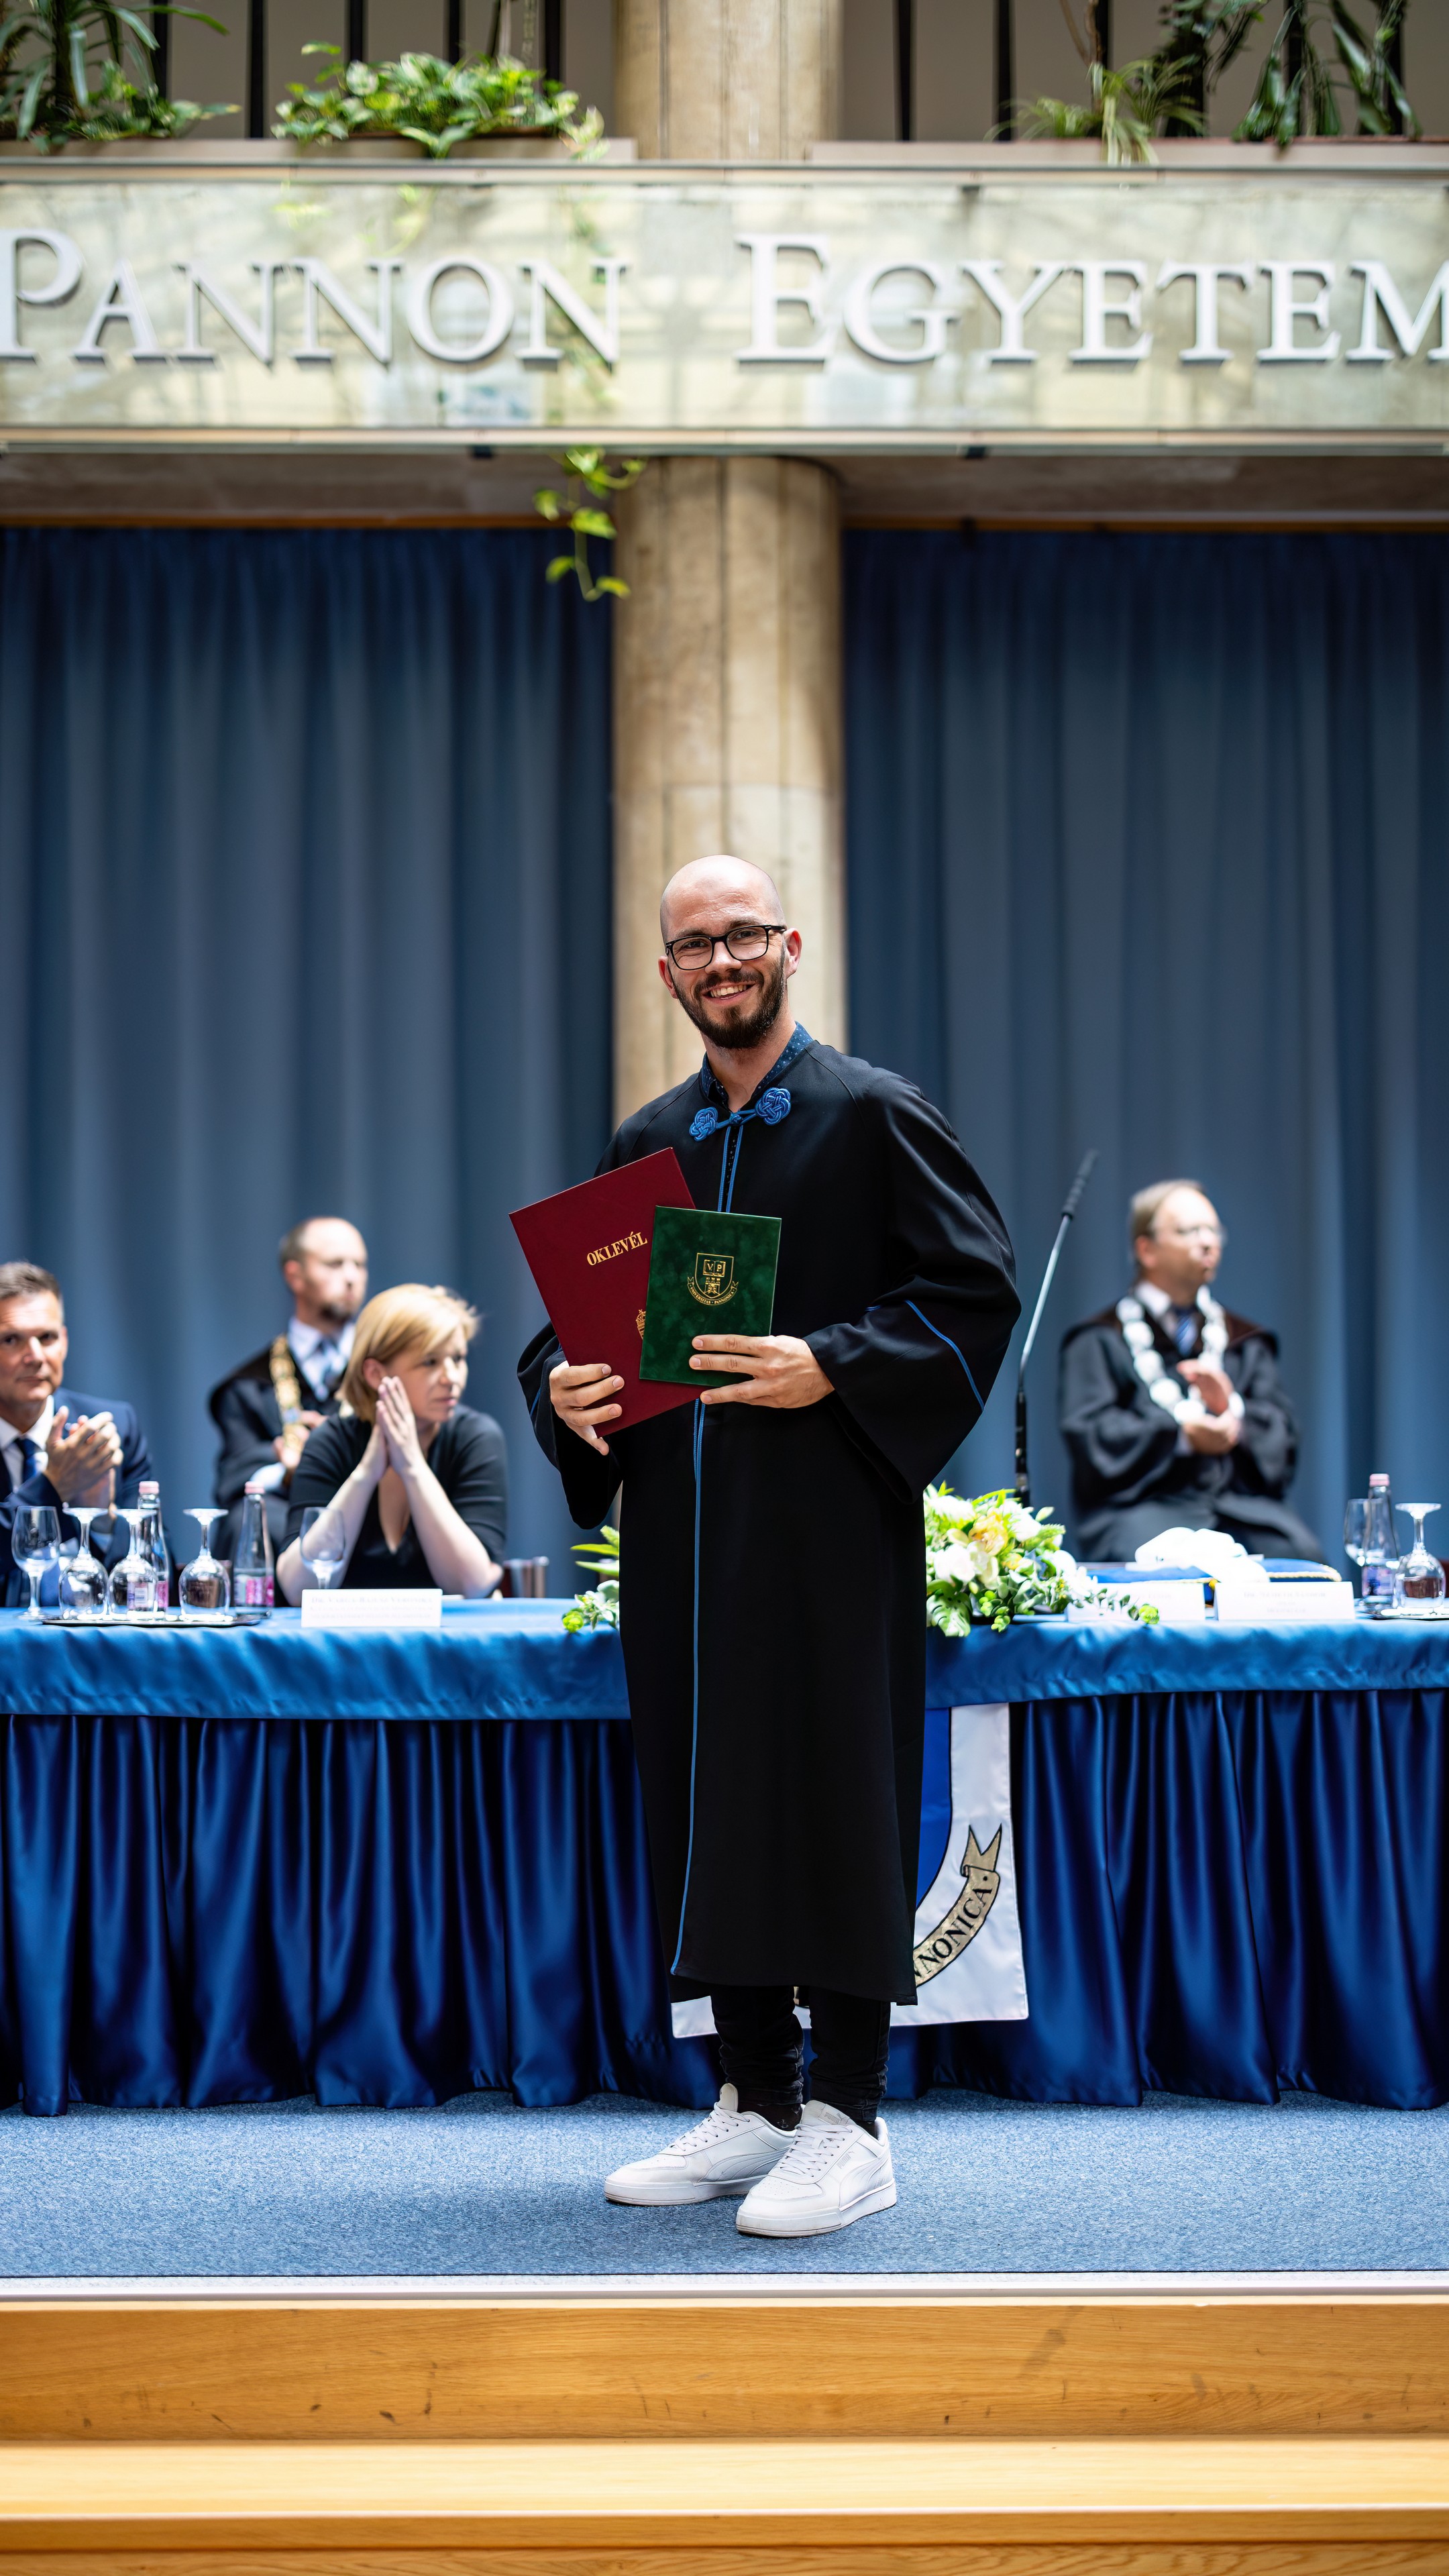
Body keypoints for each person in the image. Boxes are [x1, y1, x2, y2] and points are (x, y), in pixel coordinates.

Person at [519, 855, 1018, 2239]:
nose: (721, 961)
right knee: (709, 1802)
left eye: (743, 935)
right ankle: (757, 2098)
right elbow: (577, 1333)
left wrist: (832, 1363)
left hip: (828, 1537)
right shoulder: (649, 1141)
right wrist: (564, 1391)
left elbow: (974, 1292)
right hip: (685, 1548)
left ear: (789, 946)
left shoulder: (873, 1115)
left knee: (834, 1797)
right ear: (667, 974)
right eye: (695, 945)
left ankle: (852, 2120)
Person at [1059, 1177, 1324, 1562]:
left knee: (1303, 1561)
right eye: (1190, 1231)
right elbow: (1092, 1437)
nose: (1208, 1242)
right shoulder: (1099, 1340)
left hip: (1240, 1510)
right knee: (1162, 1574)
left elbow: (1282, 1436)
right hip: (1142, 1511)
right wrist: (1181, 1435)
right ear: (1147, 1249)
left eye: (1214, 1231)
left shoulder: (1243, 1340)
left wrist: (1232, 1412)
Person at [278, 1283, 506, 1601]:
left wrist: (413, 1467)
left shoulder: (475, 1438)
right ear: (375, 1373)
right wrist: (364, 1476)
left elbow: (472, 1585)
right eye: (430, 1362)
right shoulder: (331, 1442)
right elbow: (297, 1589)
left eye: (458, 1358)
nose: (452, 1378)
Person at [208, 1218, 369, 1559]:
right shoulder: (248, 1387)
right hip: (283, 1518)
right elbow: (235, 1478)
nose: (352, 1277)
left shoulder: (382, 1373)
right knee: (248, 1523)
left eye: (359, 1265)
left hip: (369, 1510)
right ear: (295, 1275)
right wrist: (289, 1469)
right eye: (335, 1264)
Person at [0, 1260, 154, 1607]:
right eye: (11, 1340)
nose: (35, 1356)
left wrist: (99, 1519)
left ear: (64, 1342)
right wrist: (55, 1486)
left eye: (47, 1337)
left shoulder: (112, 1428)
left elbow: (156, 1569)